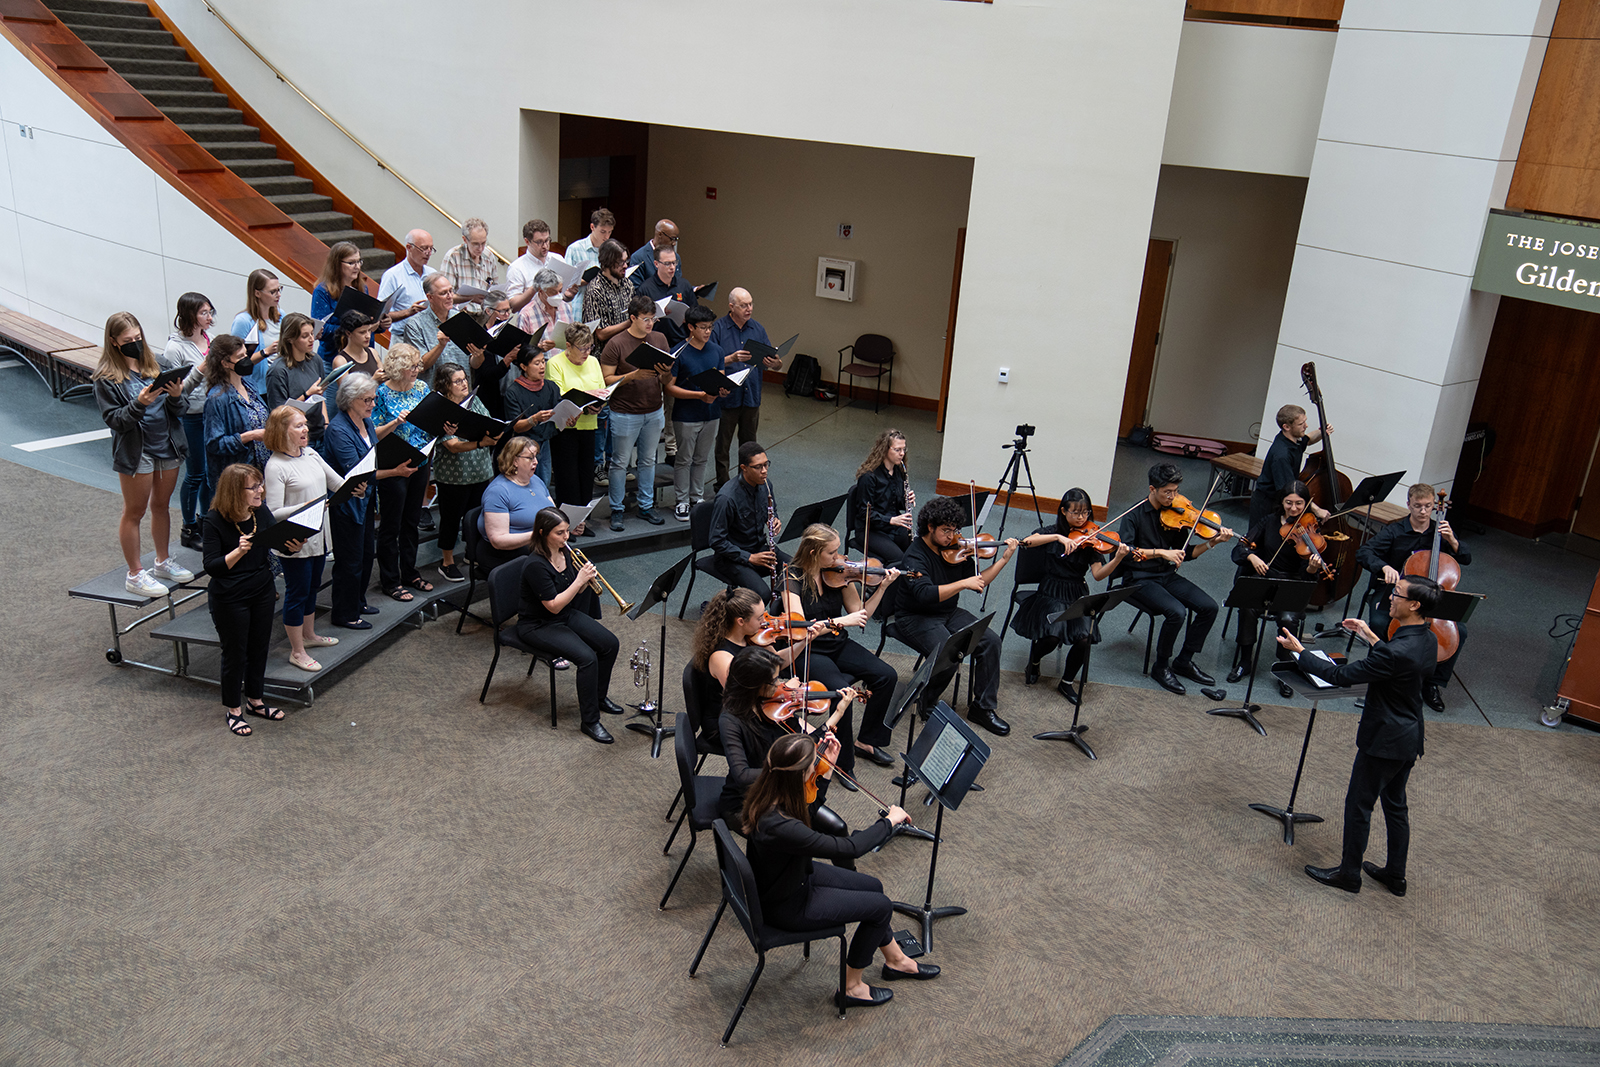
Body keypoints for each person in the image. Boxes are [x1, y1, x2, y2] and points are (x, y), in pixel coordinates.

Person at [1276, 574, 1442, 895]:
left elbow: (1340, 675)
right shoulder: (1428, 638)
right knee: (1395, 806)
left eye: (1397, 593)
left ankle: (1349, 874)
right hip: (1409, 736)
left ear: (1414, 604)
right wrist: (1371, 636)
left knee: (1358, 805)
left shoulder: (1395, 653)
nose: (1390, 597)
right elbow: (1394, 661)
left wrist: (1300, 652)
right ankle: (1395, 875)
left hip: (1383, 740)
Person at [743, 733, 933, 1011]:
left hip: (791, 879)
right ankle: (852, 988)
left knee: (873, 886)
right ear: (796, 777)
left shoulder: (769, 796)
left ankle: (896, 961)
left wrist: (826, 773)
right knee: (880, 907)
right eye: (811, 771)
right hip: (787, 906)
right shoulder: (781, 827)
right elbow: (850, 848)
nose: (813, 775)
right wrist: (889, 823)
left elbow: (807, 813)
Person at [782, 524, 903, 774]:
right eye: (832, 553)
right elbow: (800, 629)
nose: (840, 558)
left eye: (839, 552)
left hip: (837, 644)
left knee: (887, 675)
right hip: (807, 651)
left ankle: (866, 741)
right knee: (842, 694)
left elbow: (861, 614)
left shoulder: (840, 574)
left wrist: (882, 587)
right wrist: (838, 622)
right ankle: (843, 764)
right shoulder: (792, 578)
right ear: (814, 552)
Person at [896, 496, 1019, 736]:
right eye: (945, 530)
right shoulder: (915, 556)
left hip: (947, 612)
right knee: (949, 655)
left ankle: (982, 708)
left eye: (955, 530)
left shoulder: (954, 549)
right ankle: (927, 702)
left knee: (991, 641)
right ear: (929, 527)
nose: (951, 536)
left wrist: (1004, 559)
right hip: (915, 616)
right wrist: (963, 583)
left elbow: (979, 581)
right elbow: (926, 595)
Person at [93, 311, 192, 597]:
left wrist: (175, 396)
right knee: (134, 511)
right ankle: (135, 574)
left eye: (138, 337)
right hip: (138, 452)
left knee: (161, 505)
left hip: (167, 445)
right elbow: (115, 421)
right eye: (128, 340)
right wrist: (139, 403)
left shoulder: (157, 364)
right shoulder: (106, 379)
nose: (135, 343)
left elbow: (179, 410)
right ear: (114, 342)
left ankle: (162, 561)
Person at [1117, 462, 1236, 696]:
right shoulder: (1133, 515)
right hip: (1138, 578)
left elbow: (1187, 553)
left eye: (1176, 491)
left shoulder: (1176, 512)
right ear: (1152, 489)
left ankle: (1184, 660)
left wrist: (1212, 542)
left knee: (1209, 607)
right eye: (1167, 492)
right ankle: (1161, 667)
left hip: (1165, 575)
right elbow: (1126, 554)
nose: (1173, 497)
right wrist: (1161, 552)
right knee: (1177, 612)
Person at [1355, 482, 1471, 712]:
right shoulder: (1394, 531)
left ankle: (1432, 683)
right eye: (1418, 506)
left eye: (1428, 506)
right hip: (1394, 593)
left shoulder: (1441, 532)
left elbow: (1465, 559)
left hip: (1428, 596)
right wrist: (1384, 566)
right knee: (1379, 624)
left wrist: (1454, 542)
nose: (1423, 511)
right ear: (1409, 505)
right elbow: (1364, 552)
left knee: (1461, 632)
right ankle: (1378, 679)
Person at [203, 463, 299, 736]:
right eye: (254, 487)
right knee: (236, 653)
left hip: (262, 589)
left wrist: (293, 545)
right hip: (230, 596)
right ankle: (233, 709)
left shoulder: (260, 512)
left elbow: (278, 542)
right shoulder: (214, 520)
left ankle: (256, 700)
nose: (261, 490)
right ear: (236, 491)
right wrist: (238, 551)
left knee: (259, 647)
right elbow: (213, 567)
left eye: (260, 485)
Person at [717, 646, 858, 829]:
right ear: (755, 685)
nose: (779, 686)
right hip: (746, 803)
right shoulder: (730, 720)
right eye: (774, 681)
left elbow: (804, 743)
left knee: (838, 827)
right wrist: (792, 770)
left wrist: (838, 714)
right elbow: (742, 775)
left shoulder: (773, 708)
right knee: (806, 832)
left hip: (780, 793)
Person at [515, 507, 623, 743]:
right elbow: (552, 605)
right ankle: (590, 721)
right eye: (560, 533)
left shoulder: (565, 553)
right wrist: (579, 580)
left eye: (567, 531)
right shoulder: (536, 565)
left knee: (610, 644)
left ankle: (598, 697)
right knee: (587, 658)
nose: (566, 537)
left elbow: (572, 593)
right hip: (538, 624)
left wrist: (586, 581)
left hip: (564, 613)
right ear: (543, 533)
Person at [1013, 489, 1131, 703]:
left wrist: (1117, 559)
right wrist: (1059, 537)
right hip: (1050, 589)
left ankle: (1066, 683)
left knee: (1084, 638)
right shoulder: (1051, 531)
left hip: (1076, 591)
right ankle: (1035, 660)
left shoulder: (1092, 538)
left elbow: (1097, 575)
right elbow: (1026, 542)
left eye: (1086, 513)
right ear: (1063, 511)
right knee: (1052, 636)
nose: (1081, 518)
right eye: (1076, 513)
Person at [689, 587, 827, 753]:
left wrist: (804, 641)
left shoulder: (751, 637)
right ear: (741, 621)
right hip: (731, 723)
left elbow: (777, 664)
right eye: (760, 617)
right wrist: (786, 688)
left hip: (760, 707)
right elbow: (744, 700)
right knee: (807, 746)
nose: (765, 621)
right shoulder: (722, 658)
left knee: (818, 740)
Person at [324, 373, 410, 630]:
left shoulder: (367, 422)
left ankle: (358, 602)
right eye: (367, 400)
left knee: (363, 556)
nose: (373, 404)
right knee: (349, 561)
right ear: (350, 400)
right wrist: (395, 472)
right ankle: (344, 613)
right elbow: (357, 472)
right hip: (346, 504)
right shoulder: (338, 430)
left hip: (364, 501)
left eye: (373, 398)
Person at [262, 406, 344, 672]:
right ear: (282, 431)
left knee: (312, 588)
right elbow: (273, 513)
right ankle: (297, 651)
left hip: (319, 535)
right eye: (298, 426)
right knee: (297, 593)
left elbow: (336, 483)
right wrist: (308, 505)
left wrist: (356, 485)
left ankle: (309, 636)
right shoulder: (275, 465)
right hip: (294, 541)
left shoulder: (310, 453)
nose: (306, 429)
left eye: (305, 424)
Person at [1227, 480, 1323, 698]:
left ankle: (1284, 669)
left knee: (1288, 619)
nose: (1294, 509)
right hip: (1264, 578)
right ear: (1282, 502)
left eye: (1300, 504)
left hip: (1291, 583)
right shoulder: (1268, 522)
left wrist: (1310, 567)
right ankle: (1245, 660)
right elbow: (1240, 547)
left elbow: (1309, 578)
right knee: (1248, 608)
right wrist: (1252, 556)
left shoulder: (1309, 529)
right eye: (1289, 503)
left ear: (1306, 504)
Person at [598, 292, 670, 530]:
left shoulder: (659, 339)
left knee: (648, 461)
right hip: (624, 411)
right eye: (645, 319)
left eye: (653, 318)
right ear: (632, 318)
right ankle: (617, 509)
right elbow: (606, 380)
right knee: (619, 463)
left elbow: (668, 378)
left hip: (653, 409)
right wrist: (633, 375)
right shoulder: (616, 343)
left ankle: (646, 506)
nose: (650, 323)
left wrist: (664, 372)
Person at [423, 363, 497, 583]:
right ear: (446, 385)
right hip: (454, 476)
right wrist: (480, 442)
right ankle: (447, 562)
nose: (464, 383)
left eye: (465, 379)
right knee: (451, 520)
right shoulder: (442, 408)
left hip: (481, 472)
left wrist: (493, 435)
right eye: (458, 381)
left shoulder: (474, 401)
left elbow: (489, 422)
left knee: (476, 518)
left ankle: (471, 554)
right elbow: (452, 445)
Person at [372, 345, 433, 602]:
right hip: (394, 465)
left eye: (418, 366)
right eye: (412, 366)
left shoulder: (421, 388)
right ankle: (390, 580)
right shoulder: (382, 394)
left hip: (420, 460)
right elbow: (372, 432)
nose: (417, 371)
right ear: (397, 368)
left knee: (411, 520)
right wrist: (396, 422)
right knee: (391, 524)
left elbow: (431, 417)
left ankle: (409, 572)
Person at [710, 288, 782, 489]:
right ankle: (723, 485)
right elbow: (710, 362)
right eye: (744, 305)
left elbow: (774, 362)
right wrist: (731, 358)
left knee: (750, 444)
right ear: (731, 307)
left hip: (751, 396)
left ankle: (748, 483)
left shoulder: (757, 329)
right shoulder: (719, 329)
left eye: (750, 304)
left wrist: (775, 363)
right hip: (728, 396)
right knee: (723, 444)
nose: (749, 309)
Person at [666, 305, 729, 520]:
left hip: (711, 413)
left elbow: (719, 378)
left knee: (702, 458)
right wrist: (698, 395)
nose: (708, 332)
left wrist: (722, 390)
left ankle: (697, 497)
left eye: (710, 327)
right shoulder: (679, 351)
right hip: (686, 415)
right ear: (691, 327)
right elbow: (670, 388)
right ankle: (682, 500)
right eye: (703, 328)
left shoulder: (717, 350)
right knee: (684, 459)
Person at [164, 291, 214, 549]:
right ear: (189, 316)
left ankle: (206, 521)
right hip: (191, 416)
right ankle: (188, 528)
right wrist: (201, 370)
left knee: (209, 474)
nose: (209, 317)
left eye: (209, 312)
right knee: (195, 473)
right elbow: (174, 390)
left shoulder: (210, 339)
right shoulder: (174, 348)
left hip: (212, 412)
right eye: (203, 312)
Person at [544, 325, 605, 527]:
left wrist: (599, 403)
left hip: (589, 425)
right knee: (567, 477)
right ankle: (565, 525)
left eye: (590, 347)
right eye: (582, 348)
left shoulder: (594, 361)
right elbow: (559, 395)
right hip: (566, 428)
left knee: (586, 475)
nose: (587, 353)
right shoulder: (555, 363)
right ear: (568, 346)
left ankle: (582, 523)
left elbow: (602, 389)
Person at [710, 441, 787, 597]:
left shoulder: (765, 485)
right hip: (732, 557)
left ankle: (785, 617)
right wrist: (750, 558)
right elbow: (717, 541)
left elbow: (771, 510)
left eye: (766, 465)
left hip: (758, 547)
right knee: (762, 594)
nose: (764, 471)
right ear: (743, 468)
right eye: (758, 467)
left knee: (795, 571)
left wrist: (775, 519)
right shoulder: (727, 498)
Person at [477, 437, 557, 572]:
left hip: (536, 546)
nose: (536, 462)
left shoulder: (536, 480)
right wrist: (538, 535)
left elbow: (553, 513)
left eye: (536, 457)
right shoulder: (498, 491)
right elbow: (498, 540)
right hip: (507, 555)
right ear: (515, 461)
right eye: (530, 458)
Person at [1250, 404, 1331, 531]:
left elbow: (1307, 440)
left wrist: (1322, 432)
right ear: (1286, 427)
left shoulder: (1293, 438)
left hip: (1279, 501)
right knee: (1260, 542)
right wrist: (1316, 509)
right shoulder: (1281, 455)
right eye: (1301, 424)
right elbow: (1289, 491)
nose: (1306, 426)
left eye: (1305, 421)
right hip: (1267, 504)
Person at [202, 334, 269, 486]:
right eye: (240, 357)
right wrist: (250, 436)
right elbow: (214, 444)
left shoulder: (249, 384)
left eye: (246, 354)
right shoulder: (216, 399)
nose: (246, 359)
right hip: (238, 476)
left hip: (261, 468)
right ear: (225, 363)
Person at [400, 273, 482, 388]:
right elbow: (420, 366)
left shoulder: (461, 318)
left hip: (461, 393)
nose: (450, 296)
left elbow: (474, 364)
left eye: (451, 291)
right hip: (433, 392)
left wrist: (478, 354)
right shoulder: (415, 324)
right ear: (430, 297)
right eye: (443, 293)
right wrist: (440, 346)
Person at [263, 312, 327, 456]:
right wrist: (307, 395)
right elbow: (278, 414)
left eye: (312, 333)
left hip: (319, 432)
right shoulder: (278, 371)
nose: (311, 339)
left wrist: (326, 424)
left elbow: (321, 397)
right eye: (305, 336)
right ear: (290, 339)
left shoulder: (315, 360)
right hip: (295, 439)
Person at [852, 429, 915, 565]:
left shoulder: (899, 471)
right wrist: (891, 520)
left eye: (904, 449)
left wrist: (906, 502)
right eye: (897, 450)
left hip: (892, 527)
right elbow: (864, 512)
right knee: (899, 559)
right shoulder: (869, 477)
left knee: (915, 553)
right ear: (885, 449)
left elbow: (894, 503)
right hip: (870, 530)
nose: (902, 454)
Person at [501, 345, 559, 489]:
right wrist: (534, 419)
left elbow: (560, 411)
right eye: (536, 363)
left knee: (543, 485)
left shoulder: (551, 387)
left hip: (544, 444)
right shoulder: (513, 392)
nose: (542, 367)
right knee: (526, 485)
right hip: (524, 448)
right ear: (523, 366)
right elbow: (516, 426)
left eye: (543, 362)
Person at [310, 241, 371, 366]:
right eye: (351, 263)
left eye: (359, 261)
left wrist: (380, 324)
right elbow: (321, 329)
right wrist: (352, 330)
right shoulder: (323, 291)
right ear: (337, 264)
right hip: (333, 358)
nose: (357, 267)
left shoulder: (362, 288)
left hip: (361, 357)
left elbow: (367, 322)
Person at [229, 268, 282, 395]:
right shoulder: (243, 321)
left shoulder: (281, 315)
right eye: (273, 292)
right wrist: (266, 351)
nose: (278, 295)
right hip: (258, 388)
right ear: (257, 293)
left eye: (280, 289)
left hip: (281, 381)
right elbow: (237, 362)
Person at [632, 242, 693, 349]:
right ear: (656, 264)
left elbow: (694, 312)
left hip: (681, 341)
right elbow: (638, 320)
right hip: (654, 343)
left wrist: (688, 317)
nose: (672, 267)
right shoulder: (645, 288)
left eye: (674, 263)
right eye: (667, 263)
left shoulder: (684, 285)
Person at [505, 219, 572, 314]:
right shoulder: (517, 267)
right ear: (527, 242)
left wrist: (570, 295)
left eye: (547, 240)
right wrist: (534, 288)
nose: (545, 246)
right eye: (539, 242)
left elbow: (564, 296)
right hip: (532, 320)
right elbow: (513, 306)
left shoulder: (558, 259)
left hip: (558, 316)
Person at [376, 229, 435, 327]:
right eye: (424, 248)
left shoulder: (432, 273)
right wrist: (408, 312)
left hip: (430, 335)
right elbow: (380, 314)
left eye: (431, 249)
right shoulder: (393, 275)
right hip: (403, 336)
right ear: (409, 247)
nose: (428, 253)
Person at [562, 207, 614, 320]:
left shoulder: (611, 250)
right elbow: (565, 282)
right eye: (603, 232)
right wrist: (584, 280)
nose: (606, 237)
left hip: (604, 309)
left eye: (609, 232)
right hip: (581, 307)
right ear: (592, 227)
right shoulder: (575, 249)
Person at [440, 217, 499, 314]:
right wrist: (471, 298)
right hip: (461, 314)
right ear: (465, 240)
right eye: (475, 244)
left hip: (485, 314)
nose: (480, 248)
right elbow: (445, 296)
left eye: (483, 243)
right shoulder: (453, 257)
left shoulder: (489, 256)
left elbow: (495, 288)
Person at [582, 239, 634, 346]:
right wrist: (630, 322)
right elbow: (601, 334)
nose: (625, 266)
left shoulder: (628, 284)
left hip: (626, 347)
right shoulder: (595, 290)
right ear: (608, 262)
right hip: (603, 352)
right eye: (621, 262)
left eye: (626, 261)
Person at [516, 266, 576, 336]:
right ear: (541, 291)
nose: (558, 295)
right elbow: (521, 345)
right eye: (553, 292)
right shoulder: (526, 314)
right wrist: (541, 346)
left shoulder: (566, 307)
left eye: (560, 291)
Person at [330, 310, 385, 381]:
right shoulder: (341, 361)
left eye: (369, 330)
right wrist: (373, 380)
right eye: (362, 332)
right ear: (348, 333)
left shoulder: (373, 352)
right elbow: (346, 390)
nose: (368, 336)